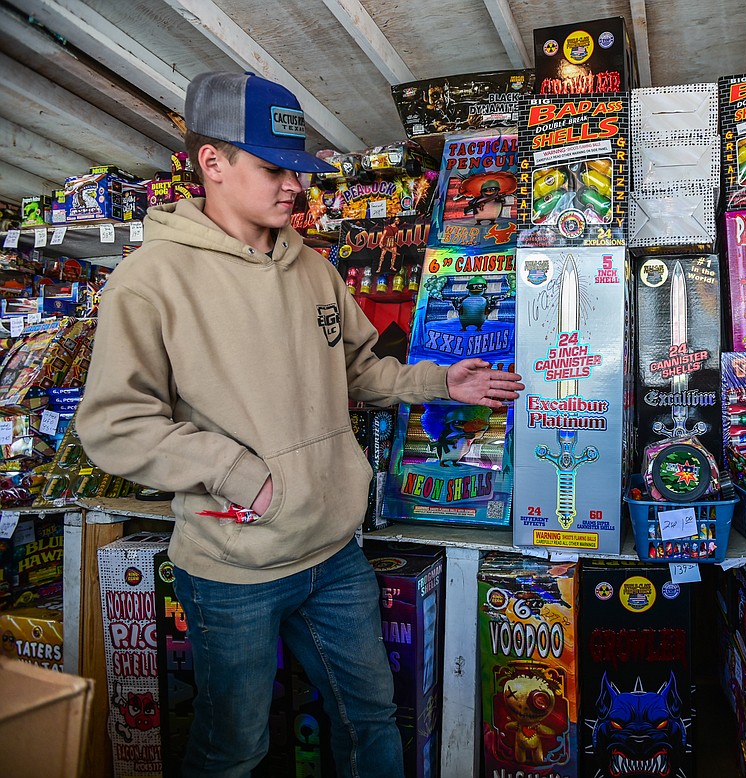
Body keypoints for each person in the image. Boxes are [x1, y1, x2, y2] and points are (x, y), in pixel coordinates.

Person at [76, 71, 523, 778]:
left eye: (300, 170)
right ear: (212, 163)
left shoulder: (313, 268)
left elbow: (358, 373)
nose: (294, 186)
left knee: (372, 720)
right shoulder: (150, 279)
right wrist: (237, 473)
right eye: (273, 168)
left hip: (334, 553)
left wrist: (440, 380)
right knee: (234, 749)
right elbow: (114, 424)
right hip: (234, 567)